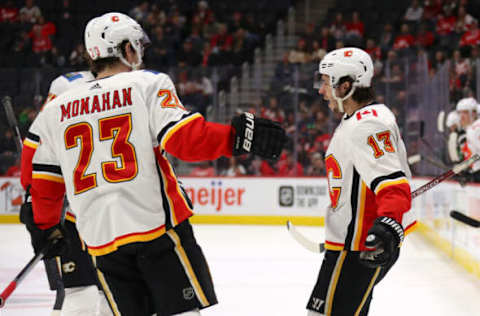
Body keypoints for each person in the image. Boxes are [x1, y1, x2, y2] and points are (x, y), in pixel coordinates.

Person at [24, 12, 285, 316]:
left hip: (102, 241)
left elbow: (44, 184)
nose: (141, 53)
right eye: (137, 46)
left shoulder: (55, 109)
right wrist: (236, 137)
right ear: (125, 49)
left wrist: (44, 227)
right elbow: (185, 140)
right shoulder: (146, 84)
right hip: (155, 232)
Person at [308, 47, 417, 316]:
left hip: (357, 249)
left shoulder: (367, 125)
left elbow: (393, 184)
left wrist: (389, 222)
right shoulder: (357, 120)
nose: (321, 91)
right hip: (352, 246)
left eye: (325, 82)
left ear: (345, 85)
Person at [21, 69, 112, 316]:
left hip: (73, 215)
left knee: (80, 293)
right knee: (111, 292)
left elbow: (30, 173)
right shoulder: (112, 100)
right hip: (107, 214)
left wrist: (35, 207)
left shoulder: (54, 113)